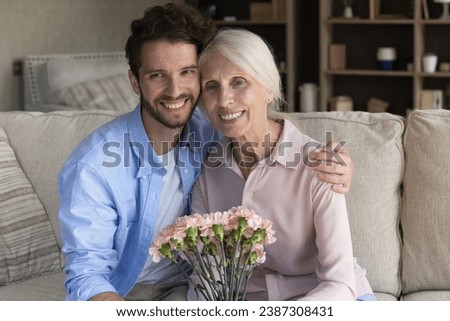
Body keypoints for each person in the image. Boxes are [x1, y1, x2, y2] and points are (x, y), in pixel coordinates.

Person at [58, 3, 355, 301]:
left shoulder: (214, 128)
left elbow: (265, 125)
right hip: (134, 290)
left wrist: (337, 162)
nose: (175, 91)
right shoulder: (95, 166)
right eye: (157, 75)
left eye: (187, 72)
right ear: (135, 81)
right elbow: (86, 273)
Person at [190, 28, 374, 300]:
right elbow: (208, 278)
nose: (224, 100)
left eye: (239, 82)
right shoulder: (208, 171)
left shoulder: (319, 164)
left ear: (268, 90)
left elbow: (340, 284)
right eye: (211, 87)